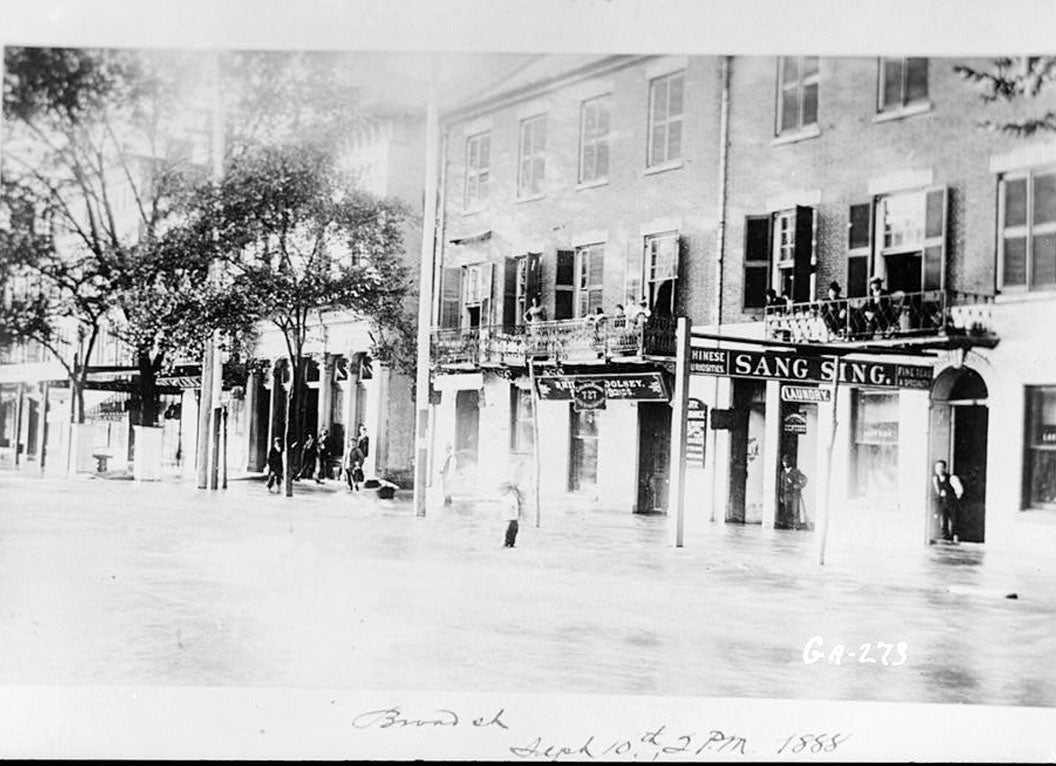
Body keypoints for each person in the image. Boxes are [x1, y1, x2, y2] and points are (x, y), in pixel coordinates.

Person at [931, 460, 964, 543]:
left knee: (954, 522)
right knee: (943, 522)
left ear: (944, 468)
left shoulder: (952, 478)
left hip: (952, 502)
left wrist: (953, 497)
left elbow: (959, 490)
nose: (938, 469)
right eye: (937, 467)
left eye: (940, 467)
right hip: (943, 503)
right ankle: (945, 539)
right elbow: (938, 492)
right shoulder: (935, 479)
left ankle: (956, 541)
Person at [778, 455, 809, 530]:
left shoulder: (795, 472)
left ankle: (796, 526)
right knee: (787, 511)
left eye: (786, 461)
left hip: (794, 494)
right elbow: (781, 485)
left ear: (789, 462)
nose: (784, 463)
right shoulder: (783, 473)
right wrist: (781, 495)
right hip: (786, 494)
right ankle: (789, 526)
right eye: (784, 461)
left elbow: (805, 479)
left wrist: (799, 485)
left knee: (795, 510)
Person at [500, 480, 523, 548]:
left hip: (511, 518)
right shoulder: (509, 497)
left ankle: (509, 543)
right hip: (510, 518)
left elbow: (513, 507)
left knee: (511, 530)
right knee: (510, 530)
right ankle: (508, 543)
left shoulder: (511, 497)